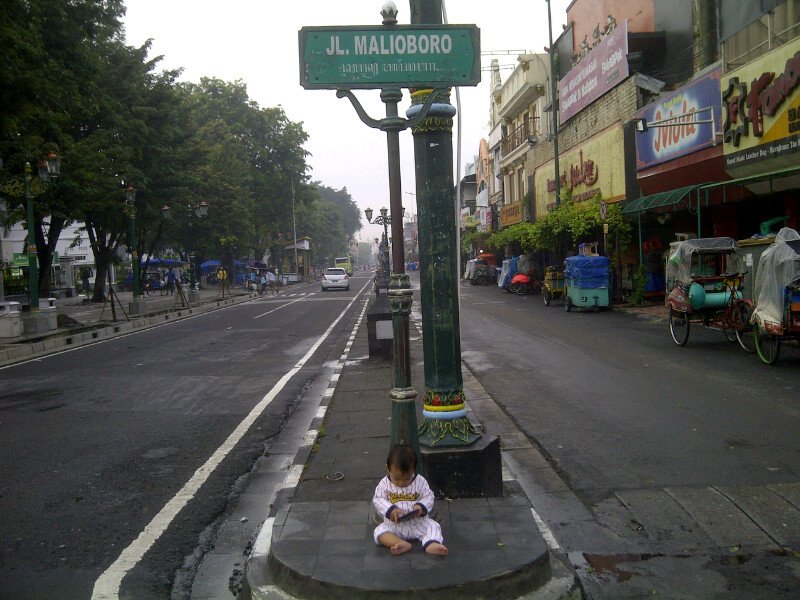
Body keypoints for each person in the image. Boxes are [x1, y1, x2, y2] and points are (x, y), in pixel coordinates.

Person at [372, 444, 448, 556]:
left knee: (433, 526)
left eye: (407, 477)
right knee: (379, 532)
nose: (401, 482)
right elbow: (378, 499)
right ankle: (399, 543)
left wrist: (421, 506)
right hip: (395, 525)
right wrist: (390, 510)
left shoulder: (420, 481)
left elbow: (429, 496)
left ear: (413, 470)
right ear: (388, 469)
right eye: (397, 478)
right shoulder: (384, 483)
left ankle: (431, 544)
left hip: (418, 522)